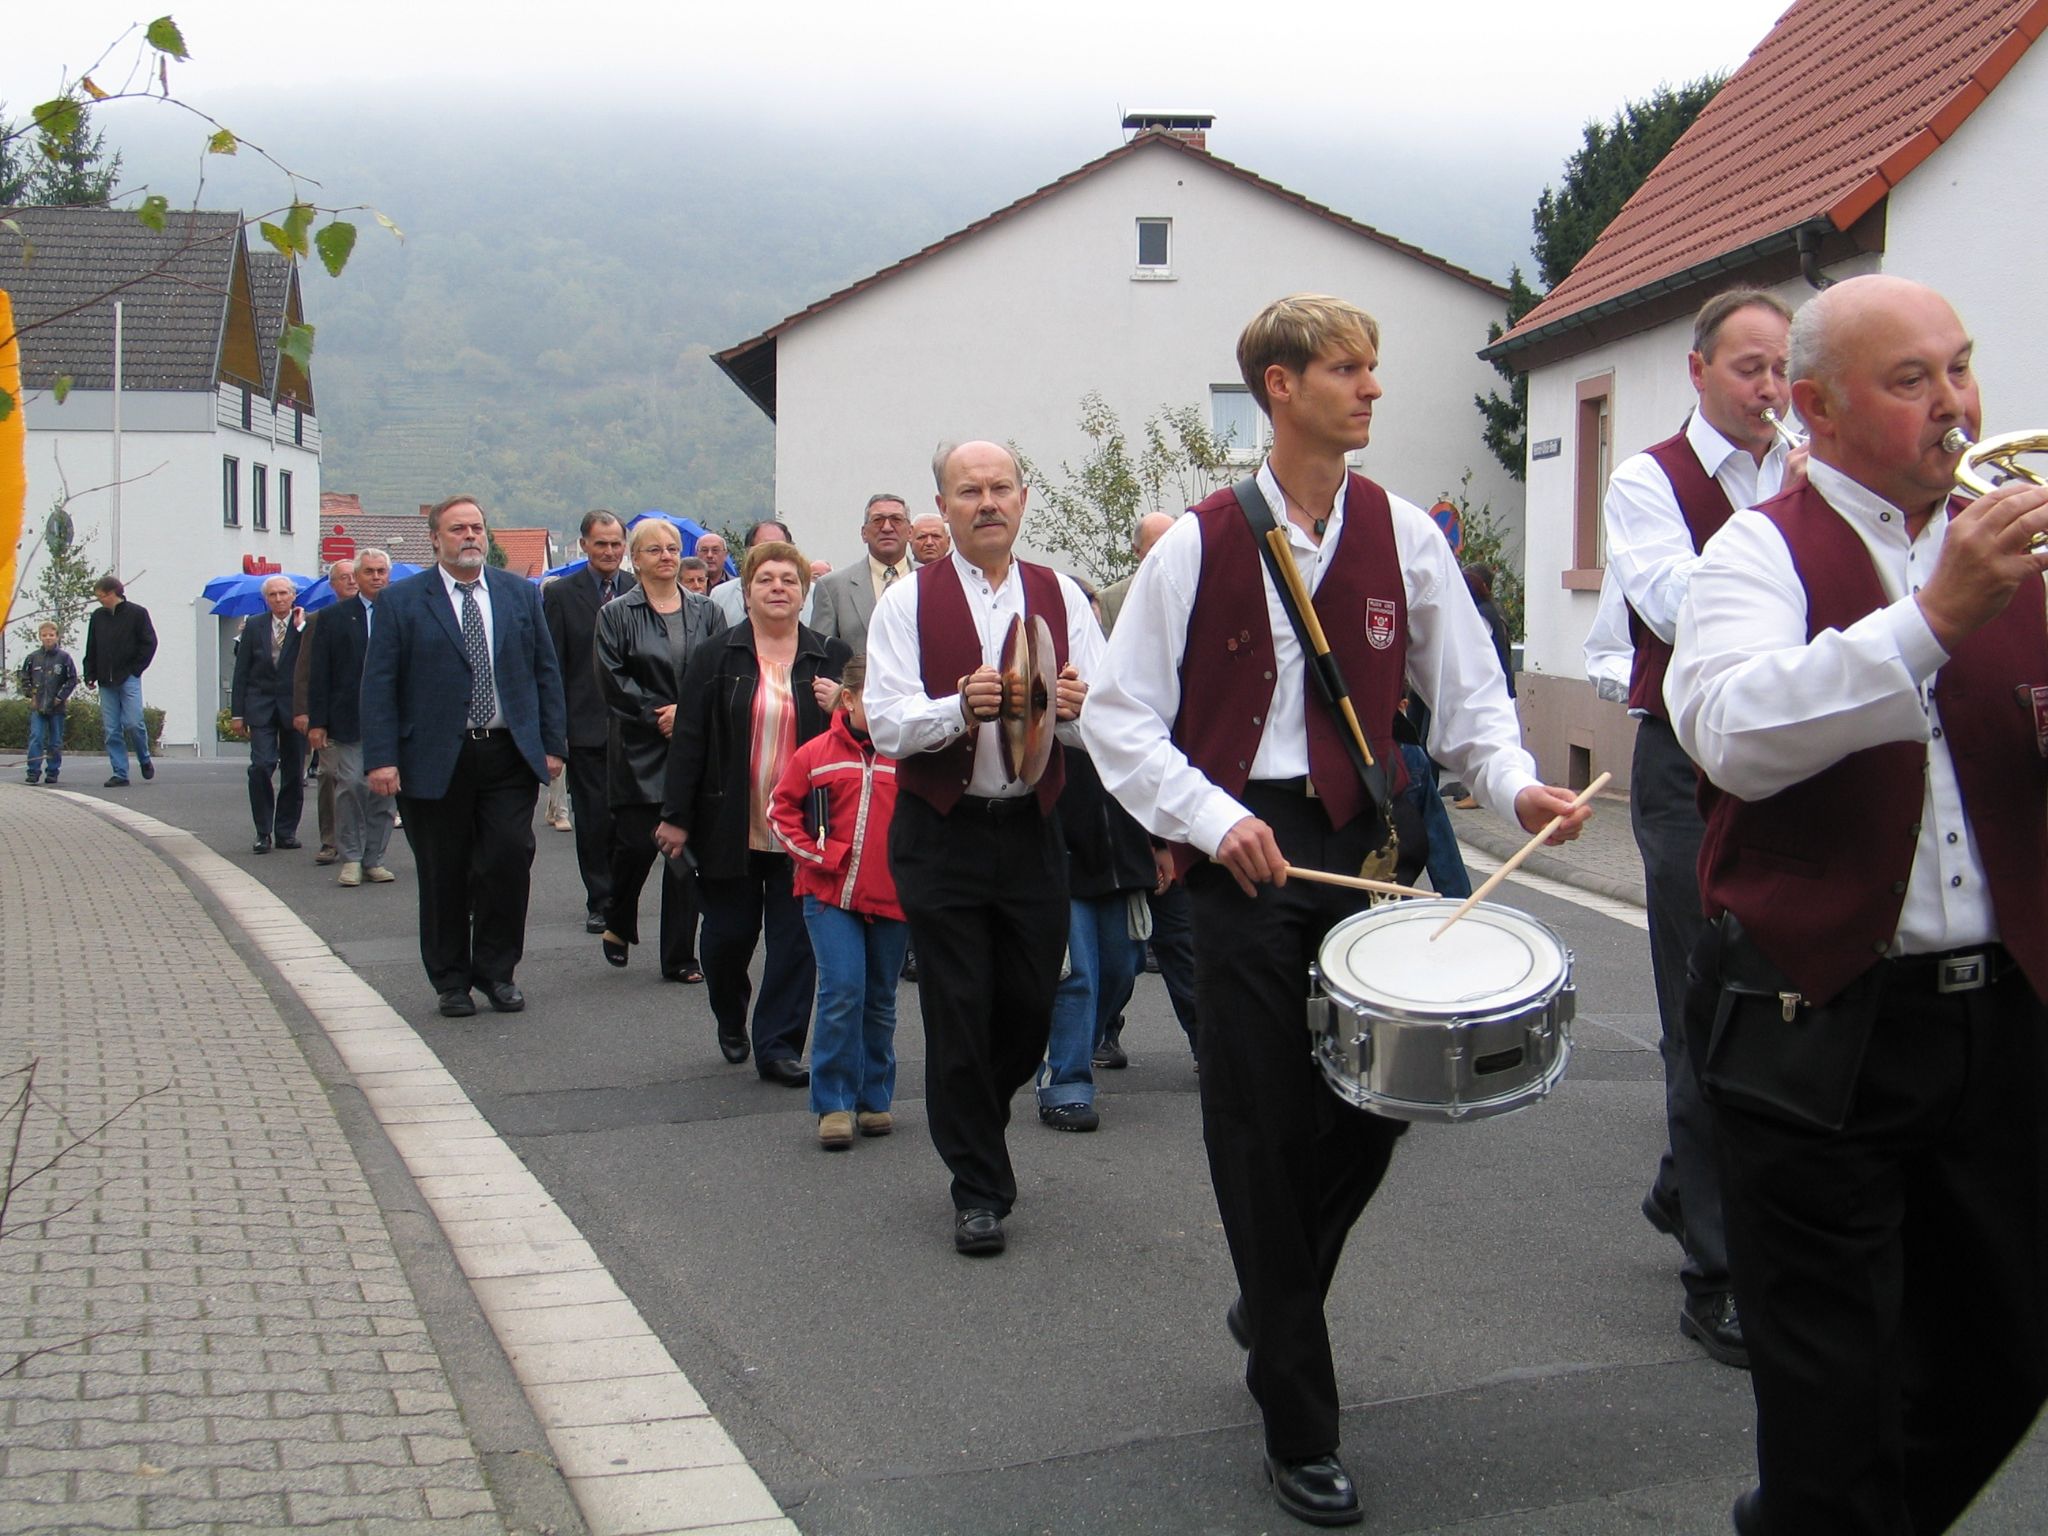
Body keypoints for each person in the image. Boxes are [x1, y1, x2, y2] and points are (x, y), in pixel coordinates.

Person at [1083, 294, 1587, 1527]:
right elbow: (1115, 715)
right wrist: (1210, 821)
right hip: (1242, 856)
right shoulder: (1196, 543)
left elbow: (1465, 697)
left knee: (1384, 1102)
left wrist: (1513, 787)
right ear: (1277, 387)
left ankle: (1275, 1291)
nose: (1370, 389)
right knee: (1259, 1126)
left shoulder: (1404, 534)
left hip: (1365, 851)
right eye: (1345, 370)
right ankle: (1298, 1420)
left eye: (1373, 369)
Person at [1667, 273, 2048, 1536]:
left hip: (1999, 1020)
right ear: (1817, 411)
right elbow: (1729, 732)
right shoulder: (1756, 549)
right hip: (1814, 1024)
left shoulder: (2010, 534)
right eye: (1910, 380)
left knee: (2007, 1353)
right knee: (1828, 1397)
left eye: (1958, 366)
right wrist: (1934, 620)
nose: (1954, 404)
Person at [1603, 286, 1794, 1370]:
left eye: (1780, 370)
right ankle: (1715, 1274)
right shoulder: (1646, 481)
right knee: (1699, 1003)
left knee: (1782, 992)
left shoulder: (1809, 468)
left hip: (1794, 751)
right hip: (1686, 758)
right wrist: (1799, 545)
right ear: (1699, 372)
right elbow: (1679, 610)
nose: (1769, 390)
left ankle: (1688, 1184)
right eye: (1748, 369)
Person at [865, 439, 1104, 1258]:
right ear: (945, 504)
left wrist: (1074, 705)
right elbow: (888, 722)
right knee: (958, 1010)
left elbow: (1106, 721)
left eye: (1001, 487)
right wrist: (956, 708)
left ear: (1024, 498)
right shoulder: (906, 602)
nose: (988, 502)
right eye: (970, 491)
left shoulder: (1063, 596)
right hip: (943, 832)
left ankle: (975, 1114)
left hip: (1033, 832)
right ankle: (979, 1187)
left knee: (1030, 1007)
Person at [361, 495, 568, 1018]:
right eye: (458, 529)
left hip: (507, 753)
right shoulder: (402, 601)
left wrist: (552, 744)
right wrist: (381, 758)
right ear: (436, 538)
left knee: (507, 859)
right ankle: (451, 979)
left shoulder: (520, 595)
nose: (470, 536)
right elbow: (379, 684)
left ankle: (498, 972)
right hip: (435, 756)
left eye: (477, 527)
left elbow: (546, 671)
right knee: (443, 870)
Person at [656, 541, 849, 1083]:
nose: (778, 588)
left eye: (789, 580)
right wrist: (676, 815)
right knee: (727, 938)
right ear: (746, 592)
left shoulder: (831, 656)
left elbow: (861, 737)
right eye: (766, 580)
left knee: (796, 945)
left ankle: (779, 1046)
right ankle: (730, 1014)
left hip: (806, 828)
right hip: (730, 823)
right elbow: (690, 738)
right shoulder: (717, 655)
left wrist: (844, 705)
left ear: (804, 594)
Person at [767, 655, 908, 1149]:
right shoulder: (816, 753)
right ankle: (832, 1102)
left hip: (892, 900)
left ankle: (874, 1096)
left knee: (880, 999)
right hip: (829, 895)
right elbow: (781, 813)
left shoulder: (905, 757)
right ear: (848, 700)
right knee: (841, 991)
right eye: (876, 697)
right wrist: (820, 855)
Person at [594, 517, 724, 979]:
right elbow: (612, 679)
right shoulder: (615, 614)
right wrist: (657, 714)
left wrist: (687, 716)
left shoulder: (706, 610)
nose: (666, 556)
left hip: (692, 747)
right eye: (655, 550)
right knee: (634, 847)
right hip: (637, 747)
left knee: (683, 856)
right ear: (637, 559)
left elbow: (718, 670)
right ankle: (617, 917)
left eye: (672, 548)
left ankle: (679, 957)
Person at [543, 510, 636, 933]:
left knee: (628, 821)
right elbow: (552, 666)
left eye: (616, 544)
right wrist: (555, 733)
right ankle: (600, 899)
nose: (610, 552)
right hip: (584, 728)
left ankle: (624, 894)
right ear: (584, 545)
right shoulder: (561, 595)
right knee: (594, 818)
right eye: (601, 543)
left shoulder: (638, 590)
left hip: (635, 727)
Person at [306, 548, 398, 888]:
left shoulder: (400, 612)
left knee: (384, 791)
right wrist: (318, 721)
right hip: (348, 717)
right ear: (355, 578)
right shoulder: (334, 617)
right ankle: (352, 858)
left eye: (380, 572)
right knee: (351, 786)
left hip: (392, 718)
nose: (376, 577)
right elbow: (320, 672)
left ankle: (375, 858)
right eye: (369, 572)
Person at [229, 575, 309, 855]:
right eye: (273, 595)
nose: (278, 599)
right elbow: (241, 671)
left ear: (293, 596)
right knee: (262, 765)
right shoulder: (254, 625)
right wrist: (237, 713)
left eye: (283, 594)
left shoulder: (304, 624)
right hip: (261, 704)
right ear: (266, 599)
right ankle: (263, 831)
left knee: (293, 770)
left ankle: (286, 831)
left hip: (295, 707)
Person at [294, 557, 357, 865]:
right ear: (332, 585)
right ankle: (330, 841)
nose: (351, 581)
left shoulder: (383, 616)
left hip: (368, 713)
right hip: (330, 714)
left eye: (353, 575)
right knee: (329, 773)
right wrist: (304, 711)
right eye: (343, 577)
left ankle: (363, 843)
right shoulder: (319, 620)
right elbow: (305, 669)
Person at [810, 494, 913, 656]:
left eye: (896, 519)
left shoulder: (934, 582)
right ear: (864, 533)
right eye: (877, 520)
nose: (887, 527)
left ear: (910, 532)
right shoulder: (832, 587)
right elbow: (820, 656)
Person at [81, 575, 156, 788]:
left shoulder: (137, 614)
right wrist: (90, 673)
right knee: (111, 729)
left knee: (133, 722)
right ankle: (120, 772)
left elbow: (149, 643)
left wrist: (136, 669)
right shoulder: (98, 617)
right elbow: (92, 646)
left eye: (102, 596)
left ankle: (144, 758)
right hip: (105, 680)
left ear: (114, 593)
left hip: (128, 677)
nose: (100, 600)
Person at [709, 520, 817, 627]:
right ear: (748, 552)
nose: (772, 554)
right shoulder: (721, 595)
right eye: (764, 547)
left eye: (780, 548)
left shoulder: (815, 594)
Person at [19, 621, 79, 784]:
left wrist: (60, 697)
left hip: (57, 707)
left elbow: (72, 679)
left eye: (51, 635)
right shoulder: (32, 658)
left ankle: (52, 771)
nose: (48, 638)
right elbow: (24, 677)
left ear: (57, 637)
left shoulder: (64, 658)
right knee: (36, 737)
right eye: (44, 635)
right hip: (38, 706)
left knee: (55, 741)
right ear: (39, 637)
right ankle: (33, 771)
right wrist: (31, 695)